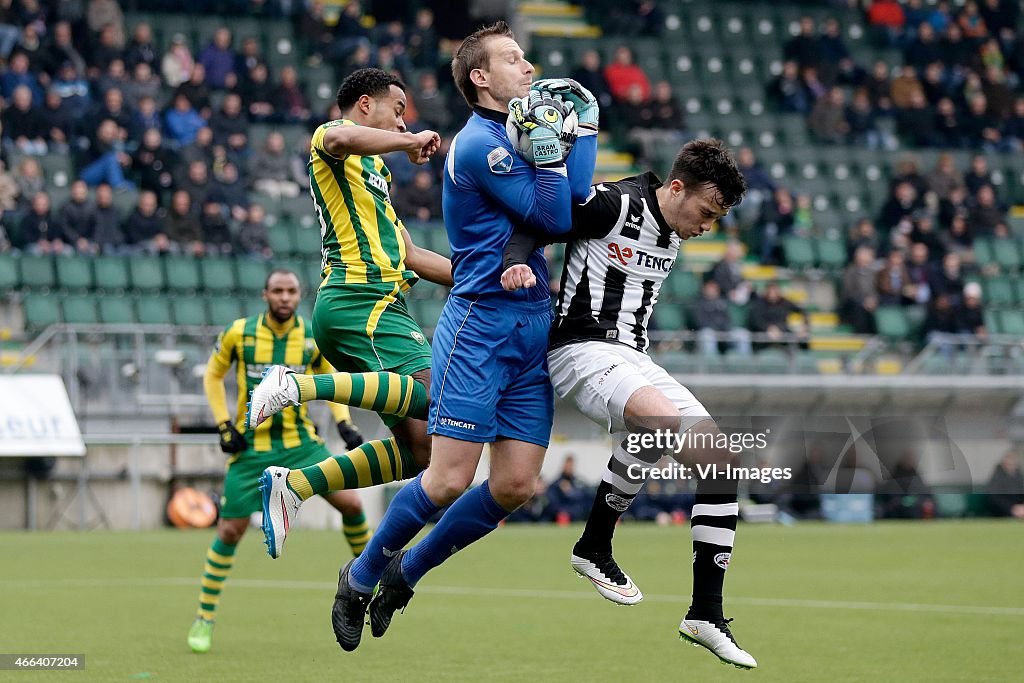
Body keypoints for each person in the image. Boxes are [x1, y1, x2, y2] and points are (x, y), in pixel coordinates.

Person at [327, 22, 596, 652]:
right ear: (480, 77)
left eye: (526, 57)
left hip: (533, 325)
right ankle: (359, 574)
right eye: (512, 59)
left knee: (515, 487)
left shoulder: (523, 135)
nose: (528, 67)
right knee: (447, 479)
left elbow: (578, 198)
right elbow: (558, 216)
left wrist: (580, 129)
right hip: (479, 324)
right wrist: (558, 149)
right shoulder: (480, 144)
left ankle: (404, 573)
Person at [502, 138, 755, 669]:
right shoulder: (616, 204)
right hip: (578, 348)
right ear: (677, 187)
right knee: (658, 420)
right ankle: (595, 544)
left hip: (633, 359)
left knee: (721, 461)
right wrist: (515, 262)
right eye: (706, 212)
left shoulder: (673, 228)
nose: (707, 226)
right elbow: (544, 220)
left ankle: (705, 612)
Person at [247, 68, 450, 560]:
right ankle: (295, 387)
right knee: (437, 398)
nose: (403, 125)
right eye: (397, 112)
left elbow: (411, 255)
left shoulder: (375, 176)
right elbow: (341, 136)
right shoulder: (332, 139)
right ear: (364, 105)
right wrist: (409, 142)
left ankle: (294, 485)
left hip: (375, 309)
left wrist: (487, 282)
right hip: (362, 303)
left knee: (422, 452)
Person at [186, 268, 370, 655]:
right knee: (230, 531)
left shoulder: (310, 337)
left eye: (291, 291)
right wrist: (222, 424)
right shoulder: (240, 333)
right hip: (251, 449)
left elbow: (330, 379)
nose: (284, 297)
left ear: (299, 295)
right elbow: (213, 376)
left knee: (352, 505)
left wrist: (344, 423)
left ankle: (368, 582)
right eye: (277, 291)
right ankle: (203, 619)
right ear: (265, 294)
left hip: (301, 444)